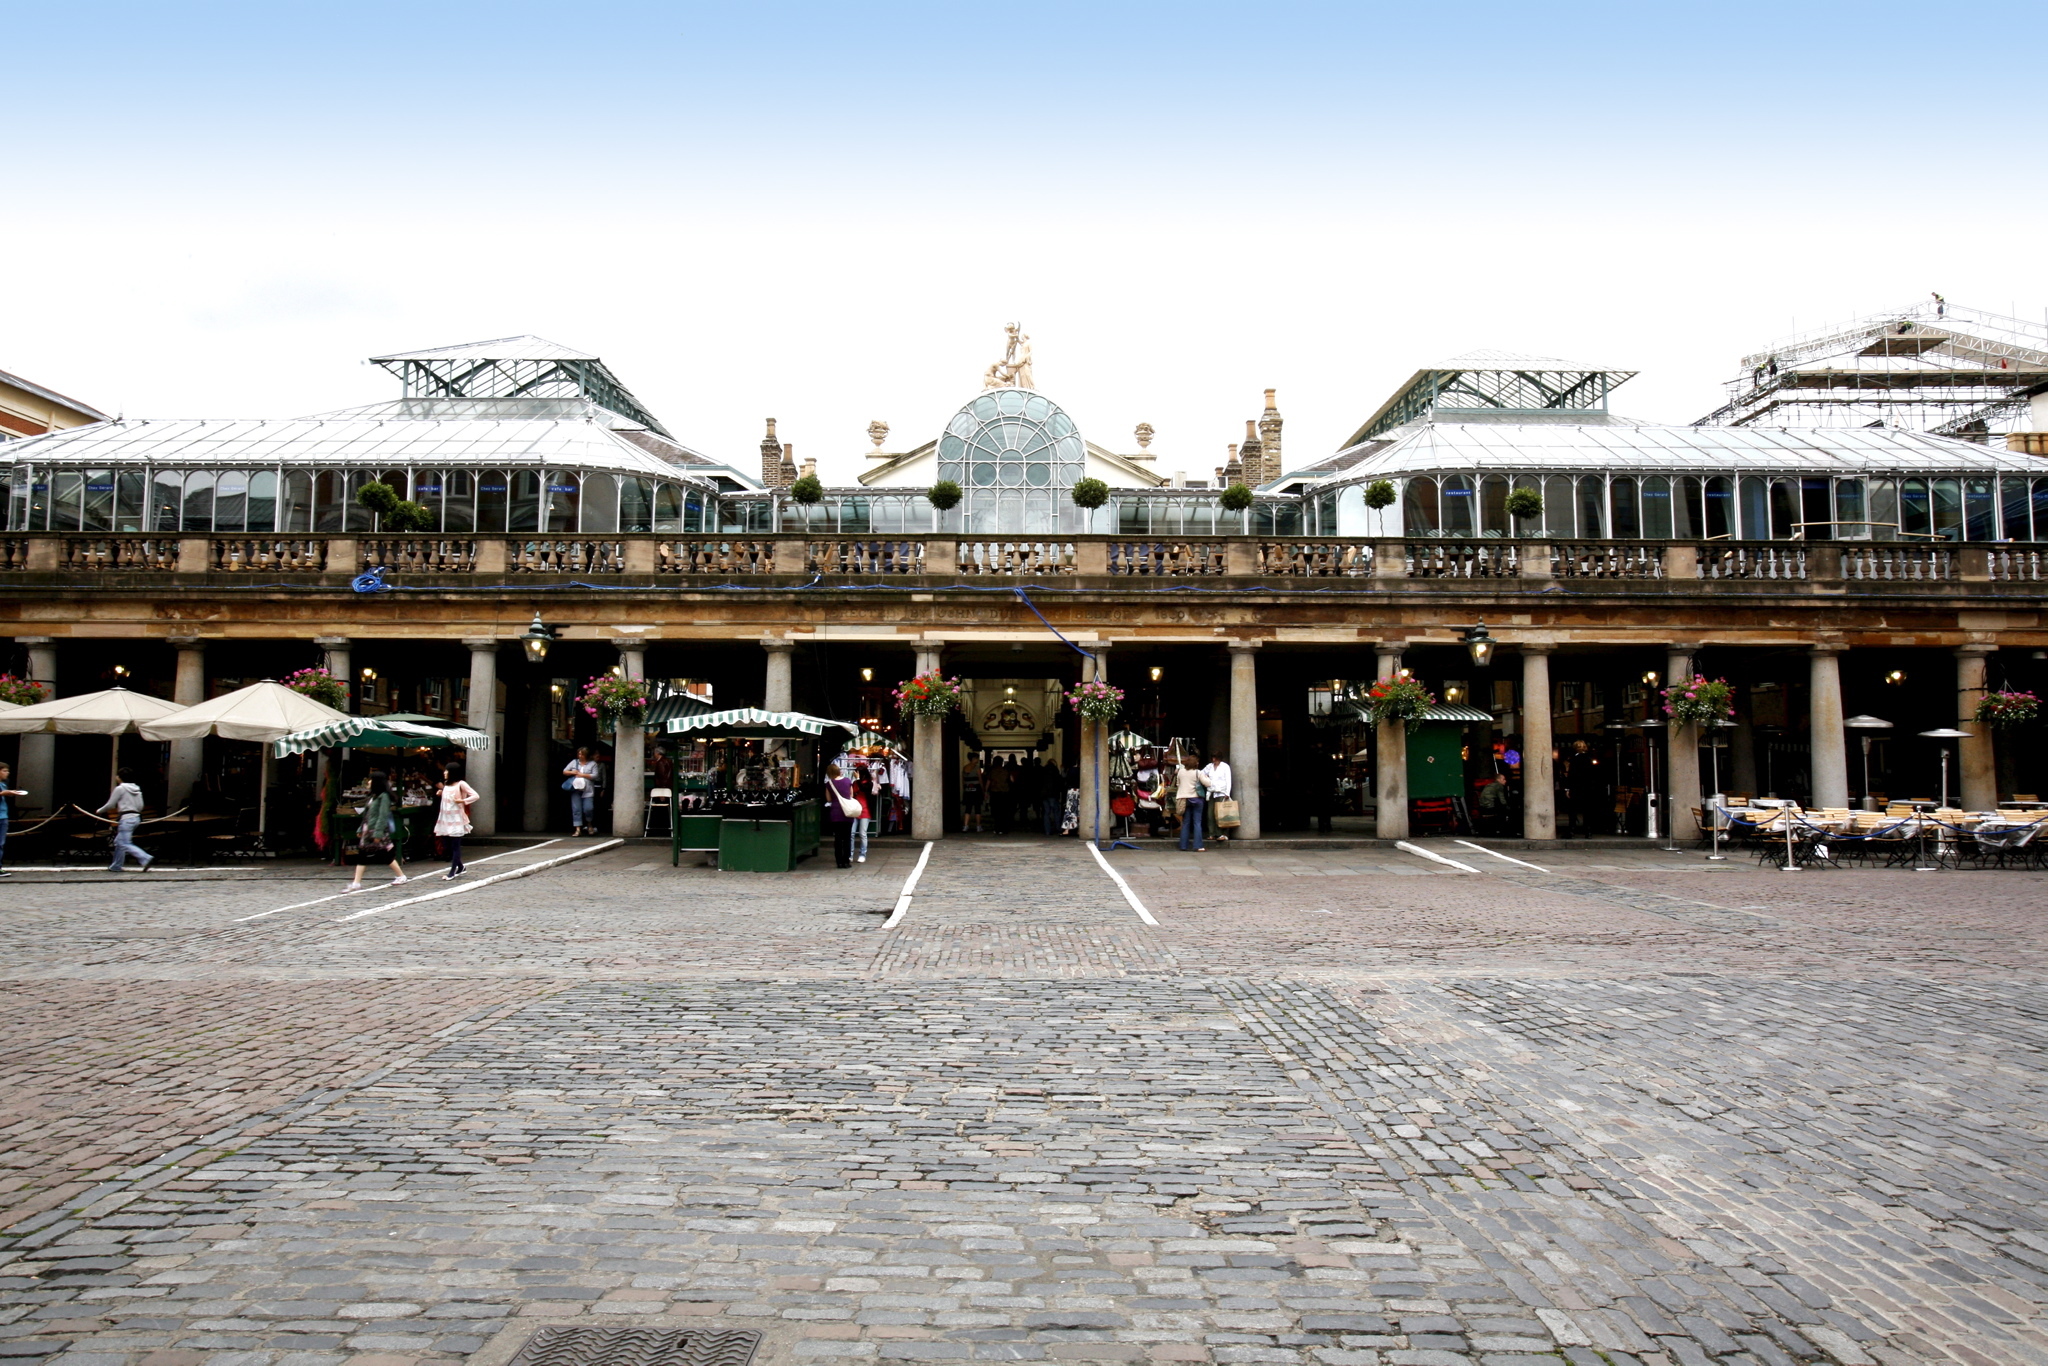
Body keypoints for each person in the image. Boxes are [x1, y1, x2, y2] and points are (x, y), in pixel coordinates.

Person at [347, 772, 407, 891]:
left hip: (377, 830)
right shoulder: (373, 796)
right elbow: (367, 815)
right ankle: (356, 882)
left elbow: (382, 816)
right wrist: (360, 828)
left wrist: (378, 833)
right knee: (363, 854)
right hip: (368, 829)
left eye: (371, 780)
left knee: (385, 854)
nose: (368, 782)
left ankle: (401, 875)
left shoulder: (383, 797)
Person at [99, 767, 154, 872]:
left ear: (119, 777)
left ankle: (145, 858)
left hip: (126, 819)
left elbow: (111, 804)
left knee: (125, 843)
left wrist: (99, 811)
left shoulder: (120, 788)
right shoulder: (137, 788)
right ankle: (116, 865)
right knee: (119, 842)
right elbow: (141, 806)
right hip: (136, 818)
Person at [434, 760, 480, 880]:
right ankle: (460, 867)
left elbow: (475, 795)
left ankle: (452, 872)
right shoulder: (447, 784)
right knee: (446, 845)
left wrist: (463, 801)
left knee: (455, 846)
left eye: (446, 771)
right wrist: (441, 792)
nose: (444, 773)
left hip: (456, 819)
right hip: (445, 818)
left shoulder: (461, 784)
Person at [823, 762, 858, 868]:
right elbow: (851, 795)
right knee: (847, 837)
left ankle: (839, 861)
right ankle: (846, 860)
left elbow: (828, 799)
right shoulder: (847, 781)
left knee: (838, 838)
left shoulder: (829, 784)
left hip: (835, 812)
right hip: (847, 812)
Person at [562, 747, 602, 836]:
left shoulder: (592, 764)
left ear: (586, 755)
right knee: (576, 809)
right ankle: (578, 829)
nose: (580, 756)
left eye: (582, 754)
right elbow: (564, 771)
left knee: (588, 808)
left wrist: (582, 775)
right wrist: (573, 772)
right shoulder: (574, 762)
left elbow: (595, 775)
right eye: (579, 754)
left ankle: (589, 824)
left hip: (588, 790)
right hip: (576, 789)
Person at [1176, 751, 1206, 852]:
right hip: (1196, 799)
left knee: (1186, 822)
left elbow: (1177, 784)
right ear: (1196, 763)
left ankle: (1183, 845)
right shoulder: (1198, 772)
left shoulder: (1181, 772)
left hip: (1184, 799)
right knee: (1197, 822)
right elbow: (1208, 783)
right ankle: (1198, 846)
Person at [1200, 750, 1233, 843]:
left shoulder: (1225, 767)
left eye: (1216, 758)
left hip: (1222, 792)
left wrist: (1227, 792)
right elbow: (1201, 773)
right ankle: (1212, 833)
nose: (1214, 760)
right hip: (1212, 792)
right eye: (1213, 758)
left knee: (1222, 814)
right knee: (1210, 814)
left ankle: (1223, 834)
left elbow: (1228, 780)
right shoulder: (1209, 767)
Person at [850, 762, 875, 863]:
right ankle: (850, 853)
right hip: (855, 810)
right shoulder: (855, 783)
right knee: (851, 833)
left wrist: (857, 779)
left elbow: (864, 789)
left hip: (865, 810)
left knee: (862, 834)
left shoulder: (869, 783)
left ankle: (862, 853)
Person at [0, 762, 22, 878]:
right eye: (4, 771)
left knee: (1, 843)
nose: (7, 773)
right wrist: (4, 793)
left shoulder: (3, 784)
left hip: (3, 815)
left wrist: (10, 793)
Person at [986, 755, 1013, 835]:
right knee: (1004, 812)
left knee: (996, 812)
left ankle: (997, 828)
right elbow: (1012, 780)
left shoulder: (992, 771)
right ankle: (1004, 828)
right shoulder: (1006, 771)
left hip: (994, 793)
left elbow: (988, 782)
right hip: (1005, 793)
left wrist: (985, 791)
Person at [961, 754, 984, 833]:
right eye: (976, 758)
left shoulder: (965, 768)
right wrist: (982, 789)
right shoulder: (977, 768)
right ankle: (978, 826)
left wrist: (965, 788)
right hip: (976, 789)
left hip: (968, 789)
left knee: (968, 808)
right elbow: (980, 780)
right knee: (977, 808)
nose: (977, 760)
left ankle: (965, 826)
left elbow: (963, 780)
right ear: (973, 759)